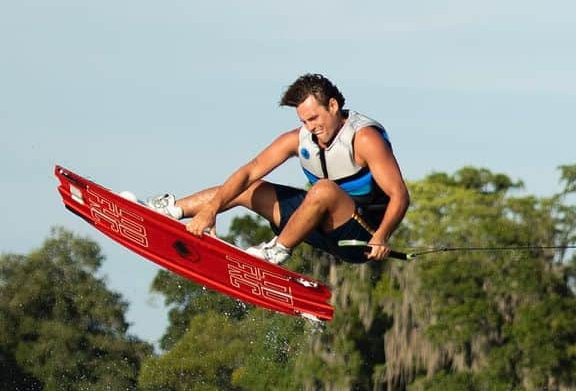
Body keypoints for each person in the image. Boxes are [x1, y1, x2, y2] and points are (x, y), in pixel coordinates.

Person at [145, 74, 410, 265]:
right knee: (249, 187)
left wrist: (381, 236)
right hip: (314, 225)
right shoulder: (297, 138)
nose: (310, 127)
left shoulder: (364, 138)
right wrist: (211, 210)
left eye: (314, 118)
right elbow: (249, 172)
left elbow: (399, 195)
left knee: (324, 190)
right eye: (304, 120)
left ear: (333, 105)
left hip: (358, 236)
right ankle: (170, 211)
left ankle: (276, 252)